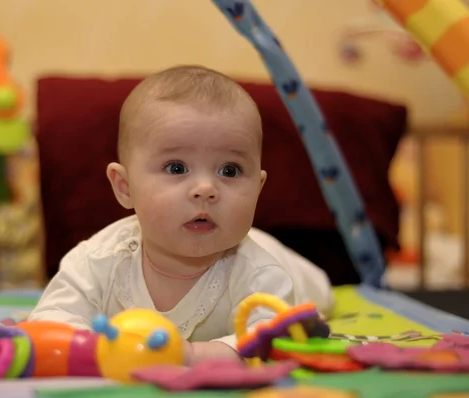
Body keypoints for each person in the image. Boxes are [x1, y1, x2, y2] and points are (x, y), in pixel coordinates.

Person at [28, 64, 334, 365]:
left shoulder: (259, 271)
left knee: (318, 294)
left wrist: (193, 355)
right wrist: (96, 351)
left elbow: (270, 338)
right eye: (176, 168)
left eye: (229, 170)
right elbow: (50, 321)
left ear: (258, 188)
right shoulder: (97, 260)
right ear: (125, 187)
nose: (205, 189)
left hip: (286, 265)